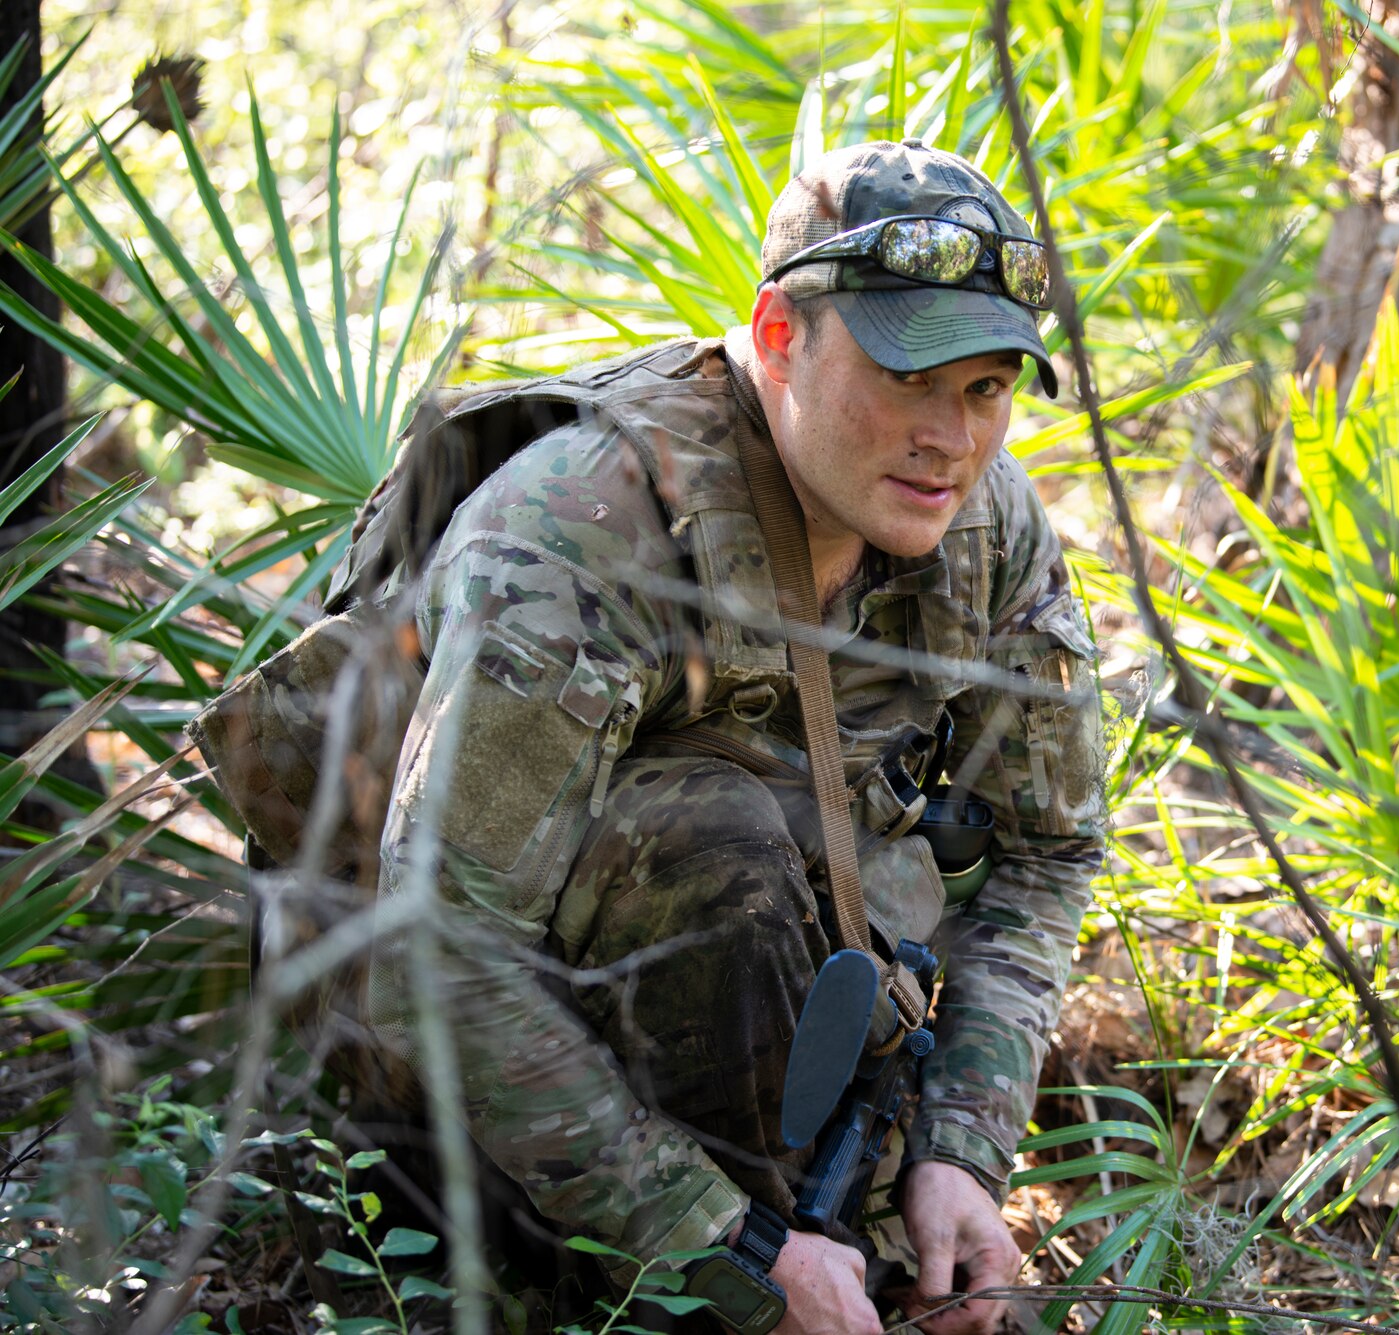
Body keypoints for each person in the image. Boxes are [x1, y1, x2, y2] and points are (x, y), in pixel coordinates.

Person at [355, 140, 1108, 1334]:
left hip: (803, 1050)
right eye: (908, 377)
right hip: (493, 1095)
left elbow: (1045, 850)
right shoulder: (586, 524)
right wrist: (728, 1250)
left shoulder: (981, 521)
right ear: (776, 336)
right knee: (715, 841)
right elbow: (432, 948)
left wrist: (959, 1147)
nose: (951, 440)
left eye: (984, 388)